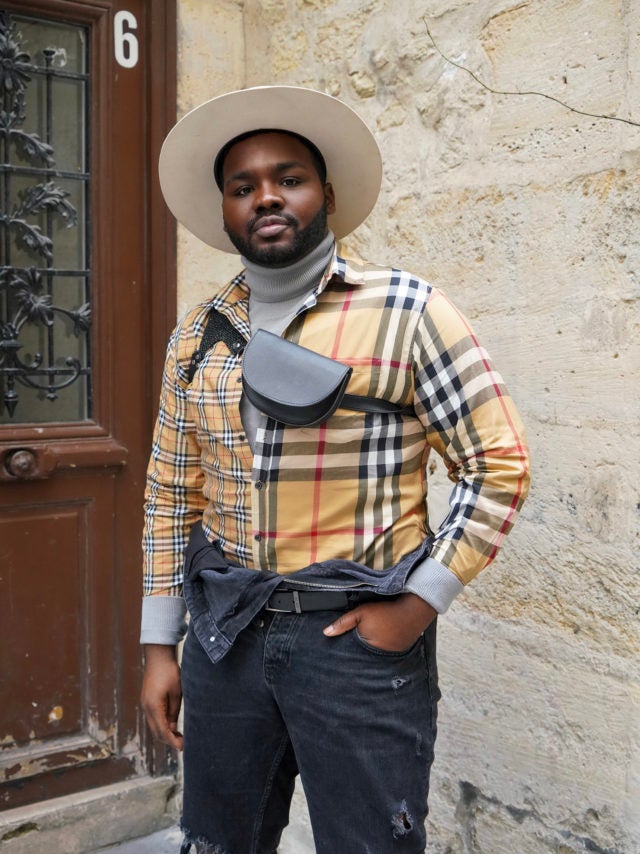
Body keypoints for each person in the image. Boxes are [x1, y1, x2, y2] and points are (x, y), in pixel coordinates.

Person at [140, 85, 530, 854]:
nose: (266, 197)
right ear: (225, 211)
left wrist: (416, 606)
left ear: (327, 194)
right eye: (243, 187)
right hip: (223, 639)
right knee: (218, 842)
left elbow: (499, 465)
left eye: (288, 178)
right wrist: (160, 645)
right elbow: (169, 494)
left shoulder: (408, 311)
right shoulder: (197, 336)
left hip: (357, 644)